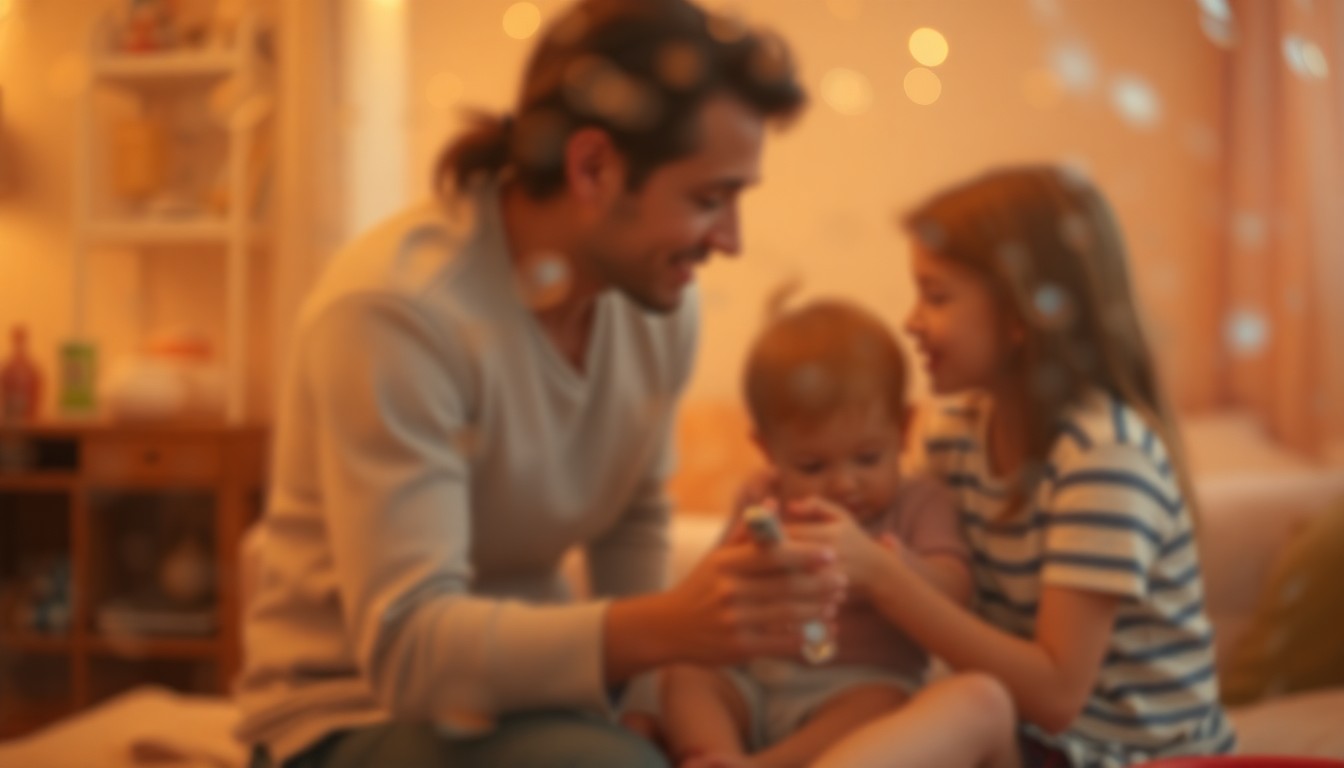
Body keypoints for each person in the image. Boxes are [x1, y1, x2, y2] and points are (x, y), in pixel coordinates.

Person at [234, 2, 847, 766]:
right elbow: (409, 653)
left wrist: (645, 705)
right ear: (593, 168)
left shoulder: (656, 304)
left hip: (535, 707)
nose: (731, 240)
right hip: (347, 717)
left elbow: (633, 519)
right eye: (707, 199)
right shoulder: (399, 313)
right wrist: (671, 626)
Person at [800, 166, 1237, 767]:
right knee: (897, 698)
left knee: (972, 702)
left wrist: (884, 578)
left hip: (1129, 755)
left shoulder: (1104, 455)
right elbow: (928, 576)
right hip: (1034, 742)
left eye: (936, 296)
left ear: (1021, 315)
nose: (910, 321)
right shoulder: (955, 433)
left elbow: (1056, 695)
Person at [658, 299, 984, 768]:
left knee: (891, 707)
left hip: (858, 685)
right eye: (812, 466)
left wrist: (893, 568)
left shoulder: (920, 501)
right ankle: (716, 754)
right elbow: (715, 586)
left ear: (904, 428)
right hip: (757, 680)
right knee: (687, 675)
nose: (843, 484)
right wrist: (750, 559)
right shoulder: (761, 496)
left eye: (867, 459)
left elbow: (955, 590)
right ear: (767, 449)